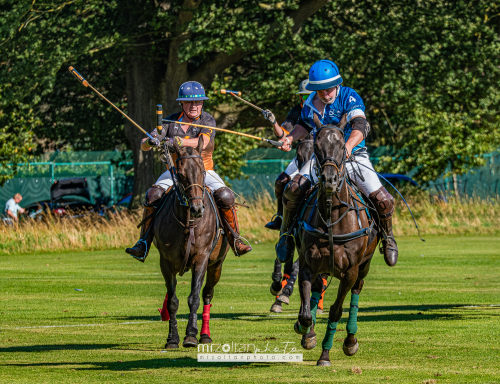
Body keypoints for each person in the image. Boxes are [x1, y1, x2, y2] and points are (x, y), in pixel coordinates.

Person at [275, 60, 398, 267]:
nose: (325, 94)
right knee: (293, 189)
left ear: (337, 84)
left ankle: (388, 238)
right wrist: (289, 138)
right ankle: (286, 234)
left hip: (353, 156)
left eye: (328, 89)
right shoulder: (311, 102)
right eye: (320, 91)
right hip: (321, 160)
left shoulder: (349, 96)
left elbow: (360, 125)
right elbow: (303, 126)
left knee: (383, 200)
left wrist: (348, 146)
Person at [126, 81, 252, 262]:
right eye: (189, 102)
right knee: (152, 194)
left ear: (202, 103)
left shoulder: (207, 120)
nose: (194, 106)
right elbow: (144, 145)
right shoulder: (169, 122)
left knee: (226, 196)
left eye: (198, 102)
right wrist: (151, 141)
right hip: (177, 173)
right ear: (182, 104)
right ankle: (143, 242)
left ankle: (235, 240)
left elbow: (203, 142)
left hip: (204, 171)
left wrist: (177, 141)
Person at [262, 79, 313, 231]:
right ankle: (280, 216)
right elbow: (283, 134)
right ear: (300, 97)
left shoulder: (324, 110)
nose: (307, 99)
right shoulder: (297, 111)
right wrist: (273, 122)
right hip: (302, 157)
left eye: (310, 96)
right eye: (304, 96)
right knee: (281, 181)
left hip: (321, 157)